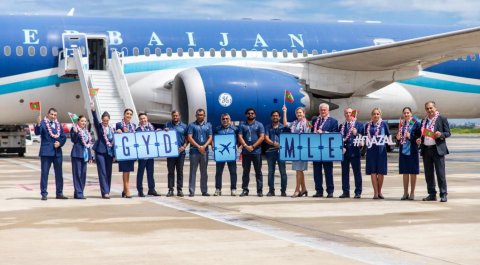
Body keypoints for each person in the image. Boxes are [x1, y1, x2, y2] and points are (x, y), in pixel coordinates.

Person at [416, 101, 451, 202]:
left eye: (431, 108)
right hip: (426, 149)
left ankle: (443, 194)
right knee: (428, 174)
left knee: (440, 173)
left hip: (437, 149)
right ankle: (432, 194)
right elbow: (422, 134)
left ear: (435, 108)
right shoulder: (424, 121)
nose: (429, 110)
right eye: (427, 109)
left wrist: (441, 134)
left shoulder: (442, 118)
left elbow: (448, 133)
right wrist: (420, 140)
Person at [35, 107, 68, 200]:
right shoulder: (43, 123)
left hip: (57, 152)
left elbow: (63, 137)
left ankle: (59, 193)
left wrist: (60, 143)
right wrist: (38, 123)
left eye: (55, 115)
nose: (53, 116)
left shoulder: (58, 124)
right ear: (48, 114)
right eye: (52, 114)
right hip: (46, 152)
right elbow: (37, 132)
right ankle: (44, 193)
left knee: (59, 174)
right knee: (45, 173)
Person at [311, 103, 338, 198]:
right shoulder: (315, 120)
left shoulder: (333, 121)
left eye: (324, 110)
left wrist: (323, 132)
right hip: (316, 150)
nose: (323, 111)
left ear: (328, 111)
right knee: (316, 172)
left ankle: (330, 191)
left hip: (327, 150)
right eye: (321, 110)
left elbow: (335, 134)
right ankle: (319, 191)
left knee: (328, 172)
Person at [283, 106, 309, 197]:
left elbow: (307, 135)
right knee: (299, 170)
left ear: (304, 113)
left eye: (300, 112)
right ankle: (304, 189)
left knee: (299, 169)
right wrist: (285, 112)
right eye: (297, 113)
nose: (299, 114)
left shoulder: (307, 123)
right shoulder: (295, 123)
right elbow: (286, 123)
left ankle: (297, 190)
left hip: (302, 148)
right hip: (295, 148)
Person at [238, 108, 265, 197]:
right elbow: (240, 136)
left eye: (252, 113)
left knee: (258, 172)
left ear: (255, 115)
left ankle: (259, 190)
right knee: (246, 172)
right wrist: (246, 146)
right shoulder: (242, 125)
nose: (250, 114)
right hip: (246, 152)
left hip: (256, 152)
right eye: (249, 113)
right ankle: (245, 189)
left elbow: (262, 137)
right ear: (246, 115)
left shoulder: (259, 125)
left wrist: (253, 146)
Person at [397, 107, 422, 200]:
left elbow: (419, 137)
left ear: (411, 113)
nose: (406, 114)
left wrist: (410, 136)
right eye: (405, 113)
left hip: (412, 151)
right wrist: (398, 137)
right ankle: (405, 193)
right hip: (403, 151)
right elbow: (400, 138)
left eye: (408, 113)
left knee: (413, 172)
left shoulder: (416, 123)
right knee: (405, 172)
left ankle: (412, 193)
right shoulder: (402, 124)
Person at [339, 108, 364, 199]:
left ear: (353, 114)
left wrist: (356, 133)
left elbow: (362, 138)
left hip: (355, 152)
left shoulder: (359, 125)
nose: (348, 114)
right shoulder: (342, 125)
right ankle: (345, 191)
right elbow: (339, 138)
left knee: (357, 173)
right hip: (345, 153)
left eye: (350, 112)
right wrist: (342, 147)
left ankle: (358, 192)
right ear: (344, 114)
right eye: (346, 113)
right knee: (344, 173)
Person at [365, 107, 390, 199]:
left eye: (377, 114)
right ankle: (375, 192)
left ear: (380, 115)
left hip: (381, 150)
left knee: (381, 172)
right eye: (374, 114)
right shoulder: (367, 125)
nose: (376, 115)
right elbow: (365, 136)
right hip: (371, 149)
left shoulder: (384, 124)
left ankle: (380, 191)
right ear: (371, 116)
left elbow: (388, 135)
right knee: (373, 171)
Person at [91, 101, 114, 199]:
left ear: (109, 120)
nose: (105, 122)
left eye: (107, 120)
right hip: (100, 151)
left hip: (109, 152)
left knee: (109, 172)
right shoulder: (99, 126)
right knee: (102, 172)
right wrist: (93, 110)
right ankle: (105, 192)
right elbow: (95, 120)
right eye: (104, 120)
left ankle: (107, 190)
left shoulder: (111, 128)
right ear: (102, 120)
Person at [187, 108, 212, 197]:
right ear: (196, 116)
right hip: (194, 151)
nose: (200, 116)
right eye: (198, 115)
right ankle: (191, 191)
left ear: (204, 116)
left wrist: (204, 146)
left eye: (201, 115)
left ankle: (204, 190)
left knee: (204, 171)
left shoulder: (208, 125)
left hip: (204, 151)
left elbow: (210, 137)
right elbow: (189, 137)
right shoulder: (192, 125)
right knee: (193, 171)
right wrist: (198, 146)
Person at [136, 112, 160, 197]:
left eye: (144, 118)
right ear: (139, 120)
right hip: (142, 155)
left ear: (147, 119)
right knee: (141, 172)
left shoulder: (151, 127)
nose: (143, 120)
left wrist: (158, 132)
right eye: (141, 119)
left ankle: (151, 189)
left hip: (150, 154)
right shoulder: (138, 129)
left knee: (150, 172)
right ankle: (140, 190)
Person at [213, 113, 238, 196]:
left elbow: (240, 139)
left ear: (230, 120)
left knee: (233, 172)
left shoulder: (235, 129)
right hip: (220, 155)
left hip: (231, 154)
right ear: (221, 120)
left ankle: (233, 189)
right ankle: (218, 189)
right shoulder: (217, 129)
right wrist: (213, 145)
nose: (225, 120)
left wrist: (238, 146)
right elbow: (213, 139)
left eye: (227, 118)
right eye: (223, 119)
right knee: (218, 172)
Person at [264, 110, 288, 197]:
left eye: (277, 116)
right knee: (271, 172)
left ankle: (283, 191)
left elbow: (286, 138)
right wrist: (274, 143)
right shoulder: (267, 127)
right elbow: (266, 138)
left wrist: (281, 145)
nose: (275, 117)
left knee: (283, 172)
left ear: (280, 117)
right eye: (273, 116)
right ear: (271, 117)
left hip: (281, 152)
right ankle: (271, 190)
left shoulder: (283, 127)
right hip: (270, 152)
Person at [164, 110, 188, 197]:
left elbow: (187, 139)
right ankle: (170, 189)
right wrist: (163, 131)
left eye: (177, 116)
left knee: (180, 171)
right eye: (174, 116)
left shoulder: (184, 126)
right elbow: (163, 137)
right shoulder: (167, 125)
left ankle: (179, 189)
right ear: (171, 116)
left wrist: (184, 147)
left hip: (181, 152)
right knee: (170, 171)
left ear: (179, 116)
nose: (175, 117)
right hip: (171, 153)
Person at [70, 115, 93, 199]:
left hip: (85, 155)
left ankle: (79, 192)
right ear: (78, 122)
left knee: (83, 174)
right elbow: (73, 140)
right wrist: (75, 133)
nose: (84, 122)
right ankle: (79, 193)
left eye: (85, 121)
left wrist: (90, 156)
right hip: (77, 154)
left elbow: (88, 144)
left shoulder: (86, 131)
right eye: (82, 121)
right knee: (77, 174)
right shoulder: (74, 129)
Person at [115, 108, 137, 198]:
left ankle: (124, 190)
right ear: (124, 115)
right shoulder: (119, 124)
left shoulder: (133, 126)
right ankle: (127, 190)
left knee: (128, 171)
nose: (129, 115)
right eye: (127, 114)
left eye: (130, 114)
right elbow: (117, 135)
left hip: (131, 151)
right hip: (123, 151)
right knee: (125, 170)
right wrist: (118, 131)